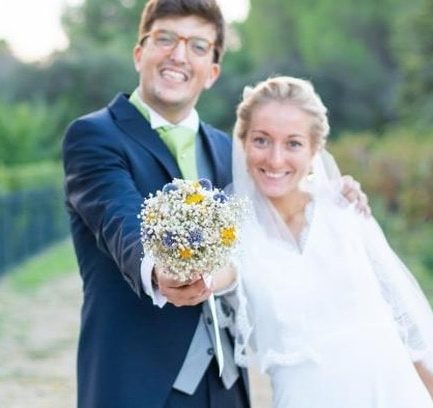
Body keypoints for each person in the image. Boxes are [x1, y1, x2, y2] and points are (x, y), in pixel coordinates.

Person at [62, 0, 367, 406]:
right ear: (139, 53)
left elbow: (273, 215)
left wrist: (330, 194)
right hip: (139, 384)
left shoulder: (227, 149)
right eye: (165, 38)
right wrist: (161, 271)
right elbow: (118, 219)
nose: (179, 55)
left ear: (212, 72)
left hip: (226, 383)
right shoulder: (94, 136)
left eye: (198, 46)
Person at [227, 76, 433, 407]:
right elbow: (210, 278)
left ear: (314, 150)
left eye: (293, 144)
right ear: (243, 142)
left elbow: (407, 322)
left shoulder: (345, 208)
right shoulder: (233, 232)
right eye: (261, 140)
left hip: (391, 393)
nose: (275, 159)